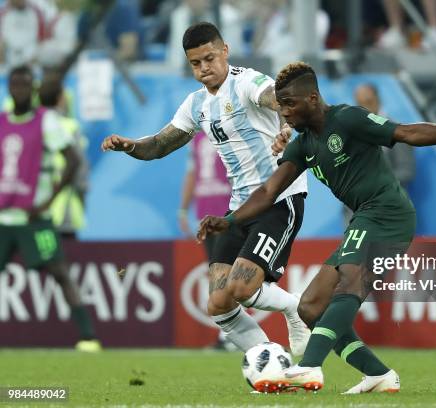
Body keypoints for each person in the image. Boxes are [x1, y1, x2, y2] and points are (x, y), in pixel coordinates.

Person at [197, 61, 436, 392]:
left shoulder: (347, 118)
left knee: (348, 286)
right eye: (280, 105)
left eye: (289, 104)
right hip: (364, 218)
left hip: (388, 213)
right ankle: (378, 374)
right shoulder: (302, 145)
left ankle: (310, 367)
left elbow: (406, 132)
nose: (283, 113)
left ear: (312, 98)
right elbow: (269, 191)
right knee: (310, 306)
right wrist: (228, 220)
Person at [101, 22, 310, 355]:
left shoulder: (247, 82)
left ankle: (294, 308)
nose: (204, 69)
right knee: (219, 303)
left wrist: (285, 126)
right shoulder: (196, 103)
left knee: (242, 287)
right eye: (195, 63)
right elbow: (158, 145)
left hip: (279, 198)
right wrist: (129, 146)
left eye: (210, 59)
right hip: (240, 207)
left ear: (225, 50)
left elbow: (276, 97)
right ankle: (271, 362)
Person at [0, 66, 100, 352]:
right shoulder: (2, 122)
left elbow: (73, 160)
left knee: (59, 271)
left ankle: (88, 337)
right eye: (14, 84)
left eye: (24, 85)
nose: (18, 90)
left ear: (32, 90)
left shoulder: (47, 122)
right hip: (3, 217)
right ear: (8, 88)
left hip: (35, 218)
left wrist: (48, 200)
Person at [178, 130, 235, 351]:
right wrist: (183, 210)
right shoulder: (197, 138)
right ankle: (226, 334)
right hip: (206, 214)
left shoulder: (230, 132)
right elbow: (192, 174)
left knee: (226, 271)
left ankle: (229, 334)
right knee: (217, 272)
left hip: (228, 212)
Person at [347, 83, 415, 225]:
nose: (365, 108)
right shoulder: (351, 134)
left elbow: (407, 171)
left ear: (378, 100)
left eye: (369, 102)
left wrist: (375, 183)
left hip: (389, 209)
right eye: (360, 104)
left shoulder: (397, 131)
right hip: (356, 211)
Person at [38, 71, 89, 240]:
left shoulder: (33, 125)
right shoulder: (70, 126)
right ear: (61, 98)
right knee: (64, 260)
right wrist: (83, 193)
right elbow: (80, 168)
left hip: (36, 207)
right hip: (65, 208)